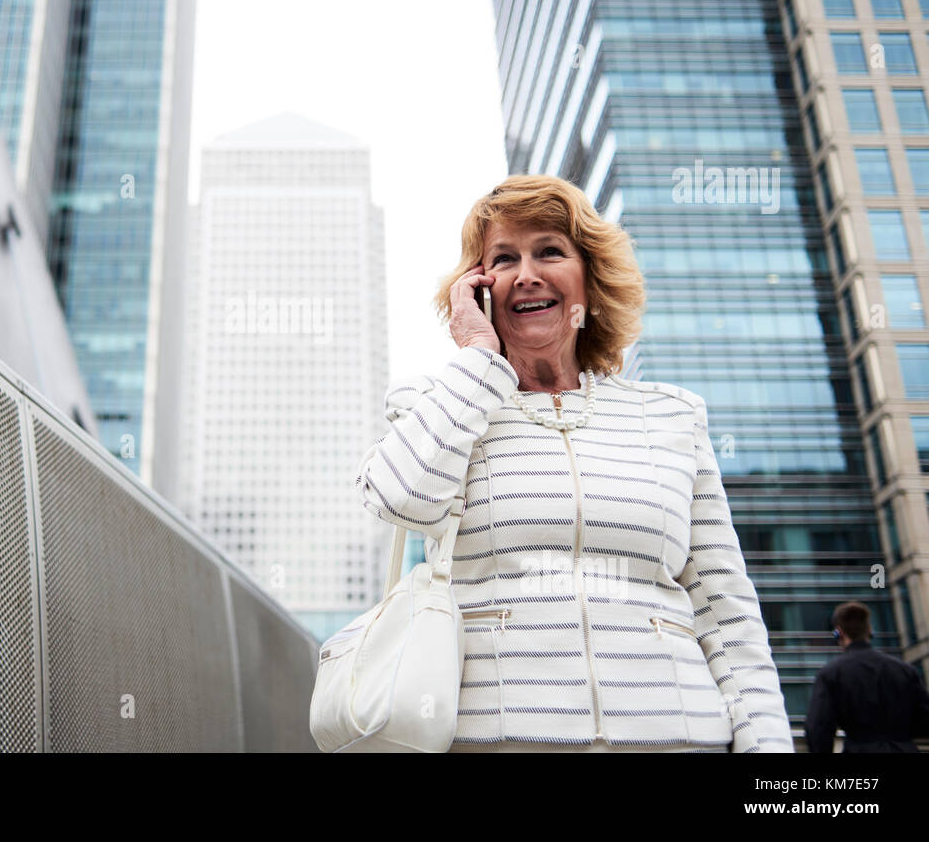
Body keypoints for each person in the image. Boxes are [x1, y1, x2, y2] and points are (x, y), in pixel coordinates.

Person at [353, 175, 793, 752]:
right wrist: (480, 362)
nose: (527, 274)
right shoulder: (441, 403)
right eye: (503, 258)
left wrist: (768, 752)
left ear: (589, 277)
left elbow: (725, 607)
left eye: (550, 251)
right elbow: (396, 497)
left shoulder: (672, 416)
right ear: (477, 288)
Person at [804, 601, 929, 752]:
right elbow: (924, 720)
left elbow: (818, 728)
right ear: (870, 630)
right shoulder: (905, 670)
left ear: (838, 632)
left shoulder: (831, 673)